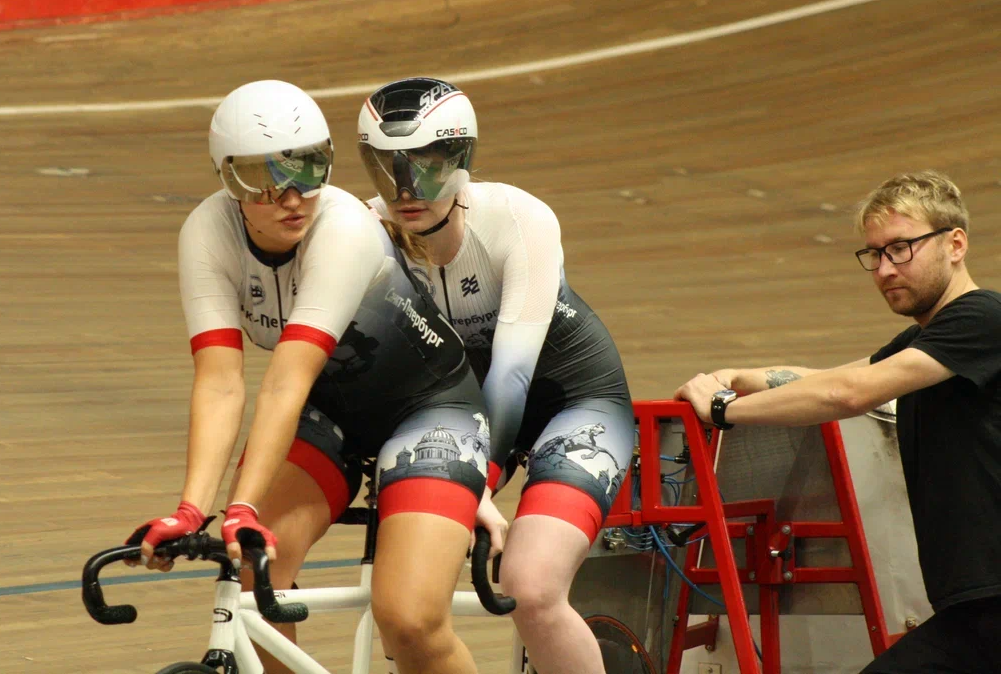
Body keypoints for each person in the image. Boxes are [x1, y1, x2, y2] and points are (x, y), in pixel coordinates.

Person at [127, 80, 491, 674]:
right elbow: (220, 382)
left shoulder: (345, 229)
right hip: (329, 410)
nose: (292, 197)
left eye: (310, 168)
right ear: (227, 179)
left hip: (430, 409)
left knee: (409, 618)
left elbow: (283, 382)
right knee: (255, 572)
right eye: (263, 181)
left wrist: (239, 502)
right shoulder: (205, 233)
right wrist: (193, 509)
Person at [357, 77, 635, 674]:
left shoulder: (517, 217)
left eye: (425, 168)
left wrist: (479, 481)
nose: (406, 190)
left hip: (570, 402)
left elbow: (511, 377)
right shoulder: (362, 232)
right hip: (462, 411)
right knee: (407, 607)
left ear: (462, 162)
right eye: (387, 169)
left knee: (530, 589)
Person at [674, 170, 1001, 674]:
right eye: (874, 255)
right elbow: (834, 376)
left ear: (955, 244)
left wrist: (721, 410)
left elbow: (847, 394)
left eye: (900, 248)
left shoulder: (982, 318)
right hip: (973, 610)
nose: (884, 269)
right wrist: (736, 376)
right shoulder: (927, 343)